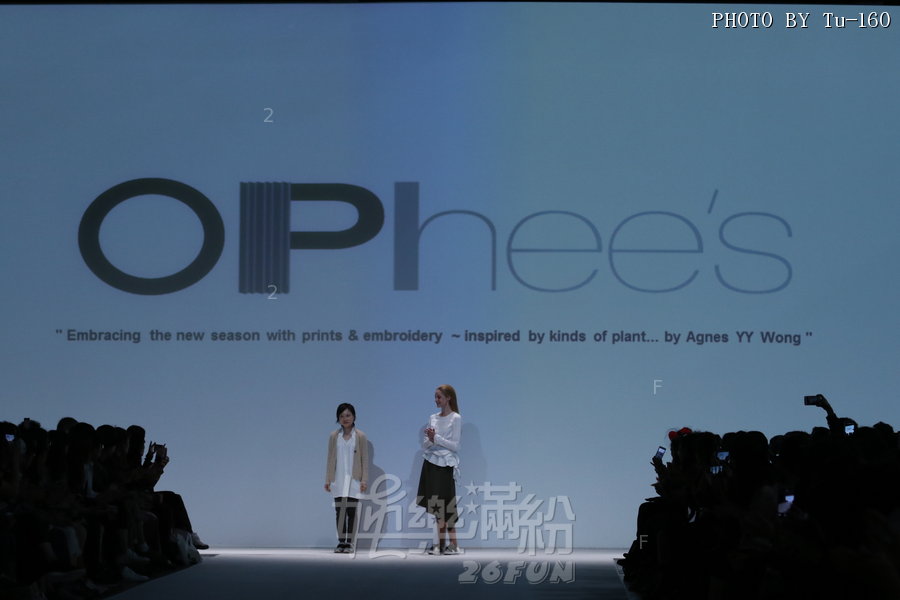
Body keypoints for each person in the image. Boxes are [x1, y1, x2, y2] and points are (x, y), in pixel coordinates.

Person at [417, 384, 462, 555]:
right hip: (431, 462)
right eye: (435, 397)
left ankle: (452, 544)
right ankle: (440, 545)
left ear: (448, 397)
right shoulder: (433, 417)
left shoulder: (455, 418)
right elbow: (425, 444)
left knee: (447, 504)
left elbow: (455, 446)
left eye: (439, 397)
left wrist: (436, 438)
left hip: (446, 464)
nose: (436, 400)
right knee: (436, 505)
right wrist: (430, 439)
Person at [324, 403, 368, 553]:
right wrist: (328, 479)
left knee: (351, 512)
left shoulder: (360, 436)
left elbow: (364, 459)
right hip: (338, 479)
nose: (345, 418)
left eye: (348, 415)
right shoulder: (334, 436)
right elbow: (330, 458)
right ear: (338, 418)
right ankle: (341, 542)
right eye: (342, 416)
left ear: (354, 417)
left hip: (354, 480)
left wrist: (364, 480)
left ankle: (350, 543)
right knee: (340, 512)